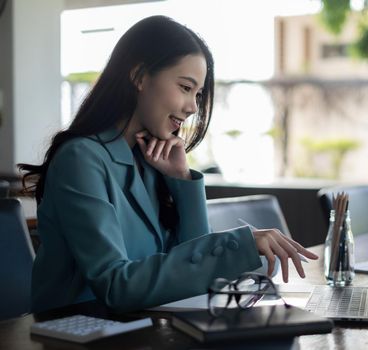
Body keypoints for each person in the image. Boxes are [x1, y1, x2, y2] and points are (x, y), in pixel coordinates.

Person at [19, 15, 318, 313]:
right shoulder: (80, 159)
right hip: (75, 333)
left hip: (140, 329)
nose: (192, 108)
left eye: (198, 94)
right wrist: (239, 245)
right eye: (185, 88)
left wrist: (183, 180)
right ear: (139, 77)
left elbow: (192, 272)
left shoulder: (150, 162)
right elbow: (115, 285)